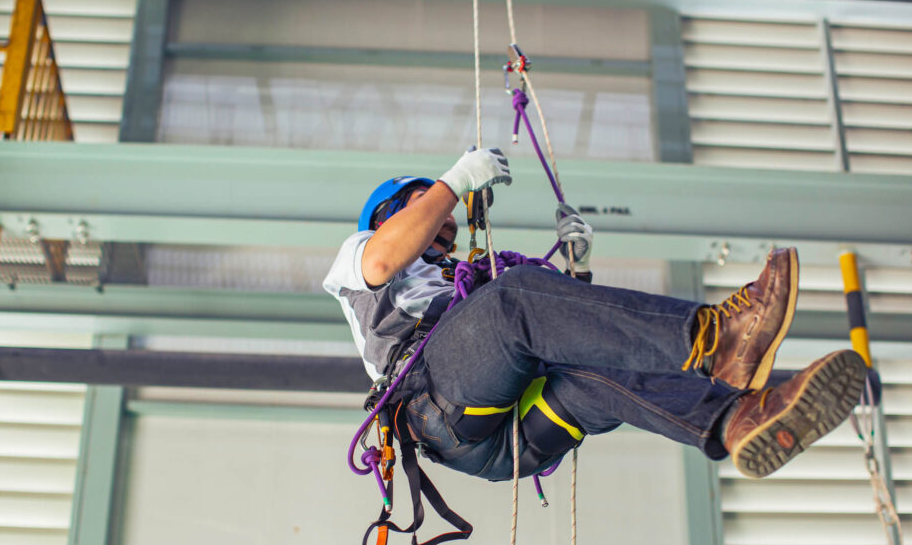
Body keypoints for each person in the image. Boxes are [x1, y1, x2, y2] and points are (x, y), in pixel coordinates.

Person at [323, 148, 867, 482]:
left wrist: (578, 272)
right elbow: (386, 257)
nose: (444, 224)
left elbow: (567, 330)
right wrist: (452, 183)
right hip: (435, 404)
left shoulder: (470, 283)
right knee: (513, 298)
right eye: (424, 207)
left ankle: (738, 420)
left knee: (599, 372)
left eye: (446, 219)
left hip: (506, 440)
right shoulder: (360, 255)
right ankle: (718, 338)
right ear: (389, 214)